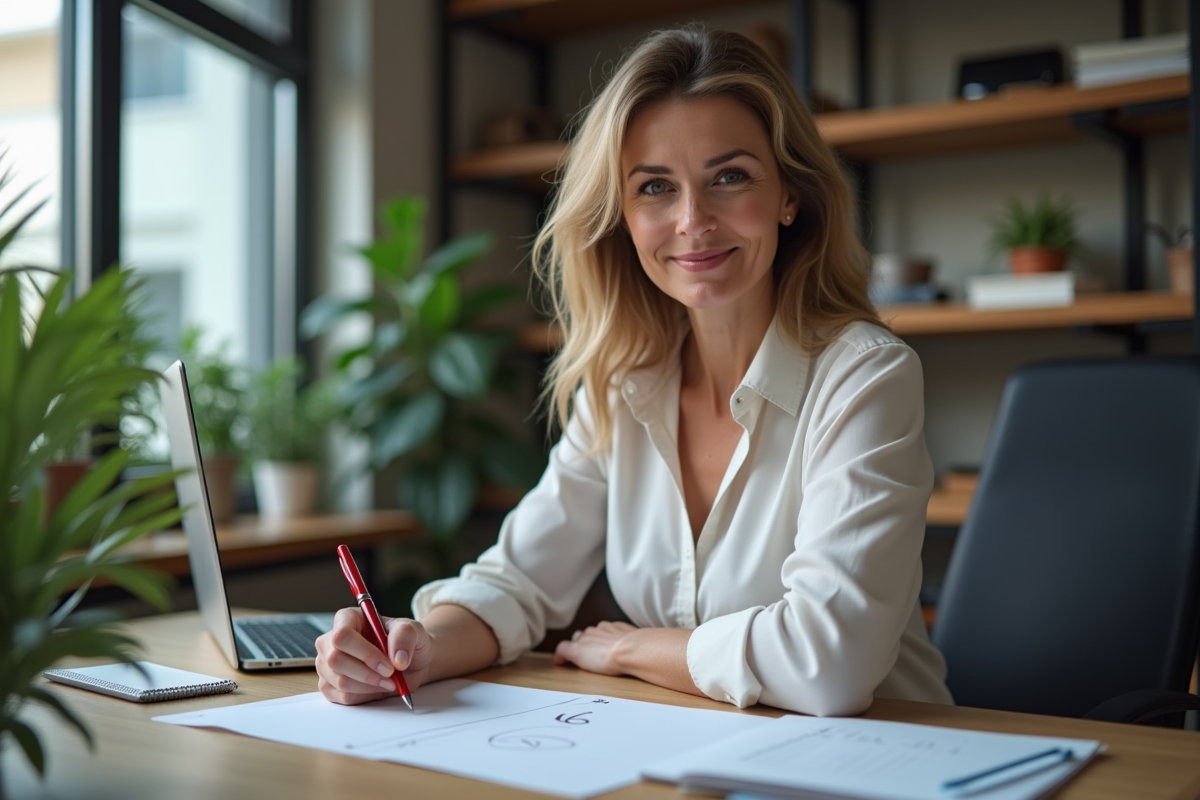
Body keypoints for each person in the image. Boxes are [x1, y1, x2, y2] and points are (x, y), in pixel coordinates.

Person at [315, 25, 953, 716]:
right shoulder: (625, 386)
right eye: (655, 187)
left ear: (790, 195)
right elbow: (518, 582)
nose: (691, 221)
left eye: (729, 177)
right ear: (622, 215)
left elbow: (829, 662)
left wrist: (632, 648)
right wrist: (416, 648)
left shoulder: (865, 377)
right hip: (705, 749)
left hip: (887, 759)